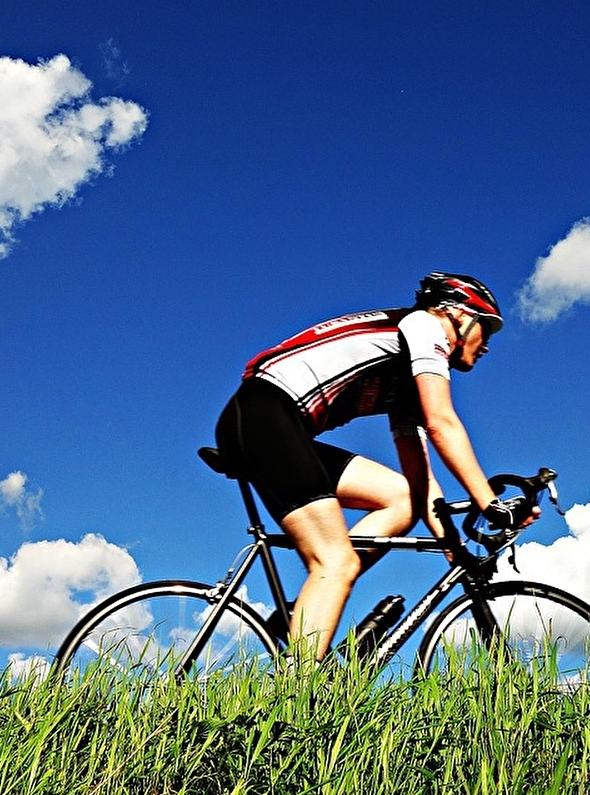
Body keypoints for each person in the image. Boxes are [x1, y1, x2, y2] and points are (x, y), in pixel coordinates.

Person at [214, 271, 538, 660]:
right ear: (457, 313)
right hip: (263, 415)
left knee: (401, 498)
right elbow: (442, 422)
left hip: (272, 423)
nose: (486, 345)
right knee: (335, 562)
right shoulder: (426, 325)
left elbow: (420, 479)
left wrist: (452, 545)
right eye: (486, 328)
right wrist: (490, 503)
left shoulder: (406, 377)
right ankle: (298, 685)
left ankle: (307, 607)